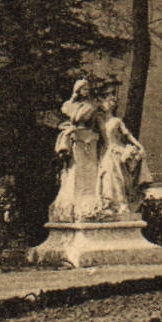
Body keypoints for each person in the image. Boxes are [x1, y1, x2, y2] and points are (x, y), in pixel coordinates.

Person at [49, 79, 102, 222]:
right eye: (83, 89)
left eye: (87, 89)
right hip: (75, 138)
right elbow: (70, 114)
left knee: (86, 172)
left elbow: (81, 118)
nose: (86, 91)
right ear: (77, 90)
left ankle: (87, 205)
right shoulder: (68, 105)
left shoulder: (90, 106)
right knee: (73, 171)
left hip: (86, 137)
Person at [96, 93, 150, 214]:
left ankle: (119, 204)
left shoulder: (116, 121)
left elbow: (128, 135)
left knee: (117, 177)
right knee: (105, 175)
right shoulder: (98, 119)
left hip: (116, 151)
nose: (109, 104)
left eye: (111, 102)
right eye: (108, 101)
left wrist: (139, 146)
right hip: (104, 152)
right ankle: (107, 204)